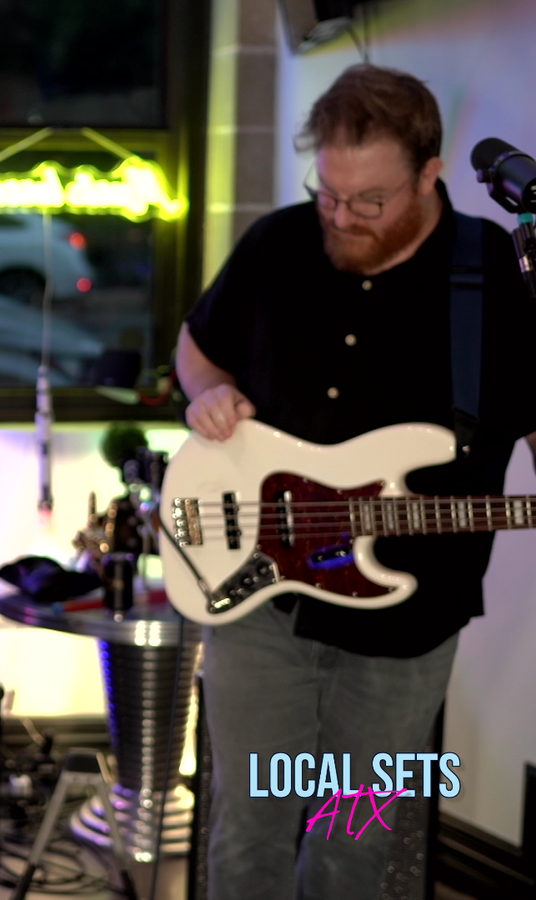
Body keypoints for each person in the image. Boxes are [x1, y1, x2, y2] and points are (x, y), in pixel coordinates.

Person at [178, 64, 536, 899]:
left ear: (429, 174)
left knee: (350, 848)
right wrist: (209, 395)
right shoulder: (278, 242)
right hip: (259, 597)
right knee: (246, 831)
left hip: (407, 628)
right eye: (330, 194)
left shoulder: (494, 275)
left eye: (369, 200)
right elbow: (198, 351)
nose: (341, 217)